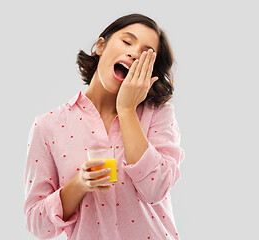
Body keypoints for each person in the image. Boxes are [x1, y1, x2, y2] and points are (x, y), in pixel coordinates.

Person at [23, 13, 185, 240]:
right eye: (127, 42)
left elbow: (155, 189)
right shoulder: (47, 126)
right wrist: (78, 185)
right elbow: (37, 224)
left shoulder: (159, 115)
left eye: (146, 55)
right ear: (100, 46)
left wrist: (127, 110)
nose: (133, 53)